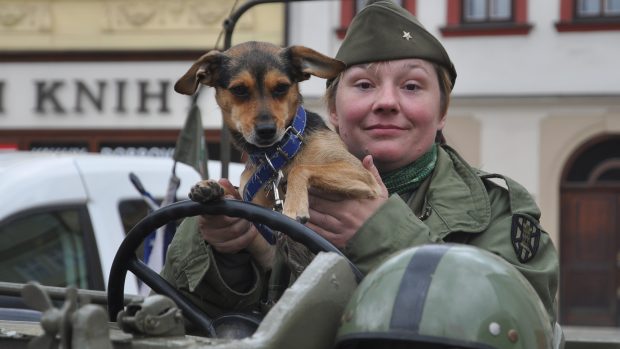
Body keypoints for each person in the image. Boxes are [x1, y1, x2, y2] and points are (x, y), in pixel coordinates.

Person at [161, 0, 559, 329]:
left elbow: (519, 323)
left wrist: (381, 235)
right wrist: (229, 250)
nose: (386, 102)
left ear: (442, 112)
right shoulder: (273, 187)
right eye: (364, 85)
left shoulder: (495, 211)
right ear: (333, 109)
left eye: (412, 85)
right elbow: (183, 314)